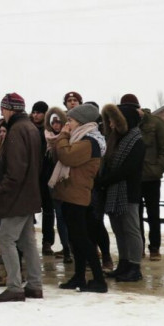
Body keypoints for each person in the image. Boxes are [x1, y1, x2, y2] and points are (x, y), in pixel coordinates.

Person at [0, 93, 44, 302]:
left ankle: (14, 286)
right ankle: (34, 284)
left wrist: (1, 188)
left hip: (16, 196)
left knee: (6, 239)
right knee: (27, 241)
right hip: (30, 193)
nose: (2, 112)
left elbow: (16, 169)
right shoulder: (31, 128)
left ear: (10, 109)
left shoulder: (16, 131)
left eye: (3, 108)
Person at [51, 103, 108, 292]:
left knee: (82, 239)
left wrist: (64, 136)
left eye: (71, 120)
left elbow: (67, 156)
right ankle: (79, 276)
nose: (68, 124)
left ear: (82, 122)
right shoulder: (83, 138)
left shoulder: (89, 142)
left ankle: (99, 280)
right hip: (71, 193)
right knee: (76, 239)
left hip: (77, 194)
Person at [99, 104, 147, 283]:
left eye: (113, 119)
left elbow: (128, 169)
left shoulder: (136, 141)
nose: (110, 123)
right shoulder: (115, 139)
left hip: (128, 191)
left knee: (131, 229)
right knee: (119, 230)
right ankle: (124, 263)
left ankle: (135, 266)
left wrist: (104, 181)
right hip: (114, 191)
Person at [121, 94, 164, 261]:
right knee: (135, 216)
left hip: (151, 177)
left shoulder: (155, 123)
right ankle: (138, 247)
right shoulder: (124, 125)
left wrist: (157, 170)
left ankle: (154, 247)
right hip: (132, 177)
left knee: (153, 214)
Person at [42, 107, 73, 263]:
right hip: (51, 182)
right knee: (59, 216)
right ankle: (66, 249)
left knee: (69, 216)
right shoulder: (47, 138)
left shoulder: (69, 136)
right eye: (53, 122)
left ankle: (72, 247)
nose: (56, 125)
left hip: (66, 181)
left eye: (58, 121)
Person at [30, 101, 57, 256]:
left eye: (39, 112)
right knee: (29, 209)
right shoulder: (29, 128)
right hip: (32, 174)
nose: (36, 115)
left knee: (48, 210)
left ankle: (47, 241)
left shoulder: (48, 131)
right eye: (34, 112)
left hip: (45, 174)